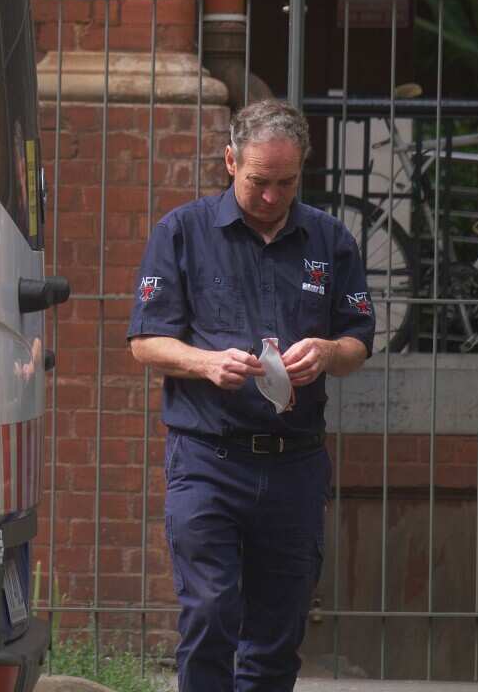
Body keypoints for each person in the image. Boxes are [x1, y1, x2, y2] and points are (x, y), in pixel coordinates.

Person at [126, 98, 375, 691]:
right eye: (259, 182)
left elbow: (359, 341)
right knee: (211, 613)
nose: (271, 197)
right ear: (230, 161)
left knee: (277, 632)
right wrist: (206, 362)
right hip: (208, 458)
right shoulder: (181, 232)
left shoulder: (330, 238)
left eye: (286, 183)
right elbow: (145, 341)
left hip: (295, 463)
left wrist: (329, 352)